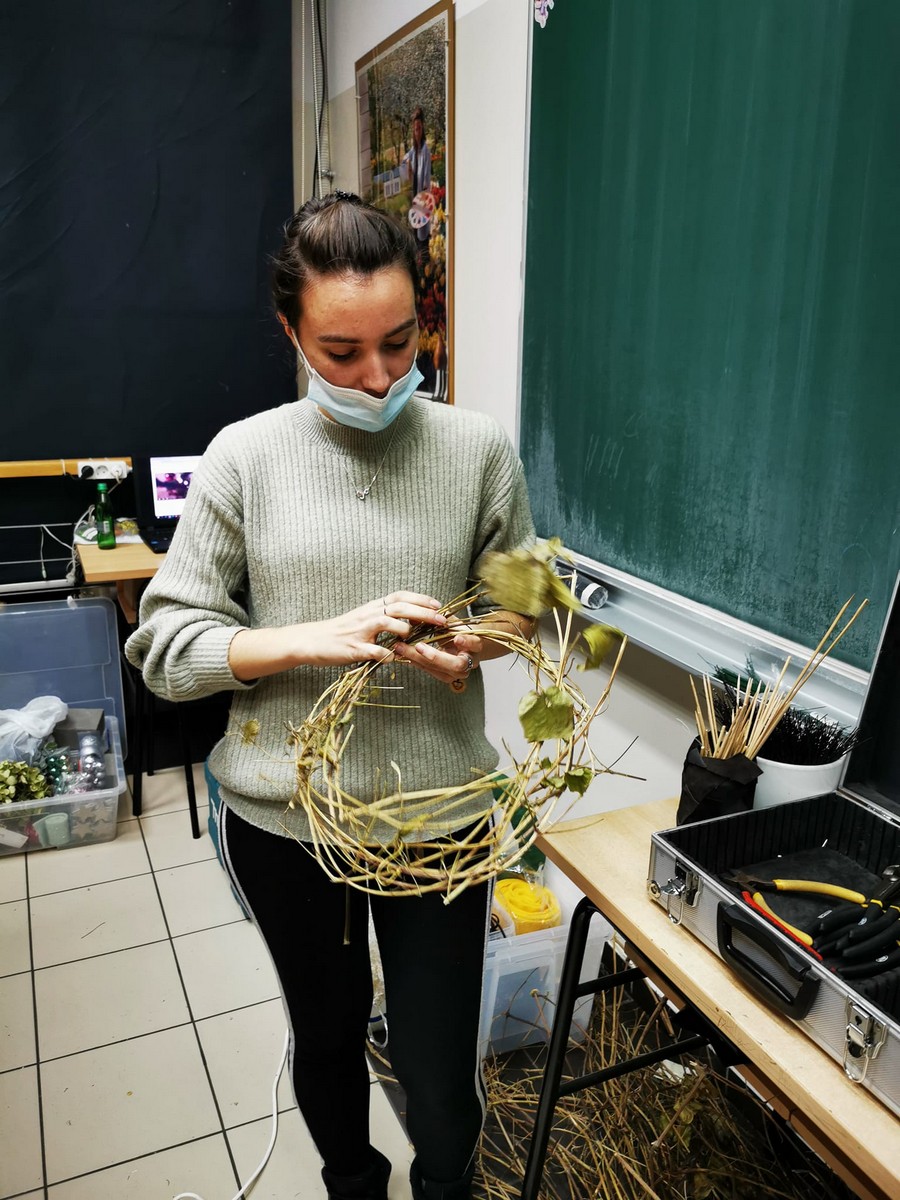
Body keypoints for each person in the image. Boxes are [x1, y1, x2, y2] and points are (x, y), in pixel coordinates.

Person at [125, 192, 535, 1200]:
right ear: (290, 332)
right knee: (328, 1032)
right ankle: (351, 1181)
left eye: (400, 343)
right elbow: (167, 648)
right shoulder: (244, 458)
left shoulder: (477, 447)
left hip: (439, 815)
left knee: (441, 1066)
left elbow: (523, 600)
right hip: (287, 820)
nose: (380, 376)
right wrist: (317, 639)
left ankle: (447, 1185)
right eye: (341, 351)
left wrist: (472, 643)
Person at [403, 105, 432, 264]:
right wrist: (407, 162)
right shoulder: (414, 151)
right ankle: (420, 266)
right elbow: (406, 158)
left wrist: (425, 198)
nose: (417, 132)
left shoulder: (425, 150)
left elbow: (426, 176)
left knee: (422, 233)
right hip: (414, 197)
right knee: (416, 232)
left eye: (419, 128)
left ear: (423, 129)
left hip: (422, 197)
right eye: (415, 129)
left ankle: (425, 265)